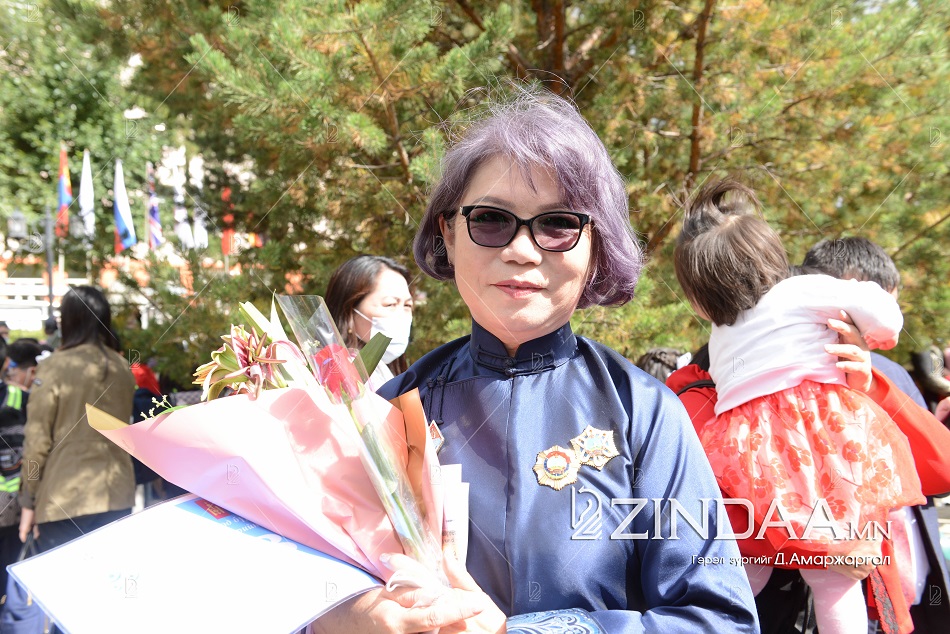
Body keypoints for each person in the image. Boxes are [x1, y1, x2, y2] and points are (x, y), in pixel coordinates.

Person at [312, 89, 759, 632]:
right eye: (491, 219)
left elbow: (720, 619)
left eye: (557, 224)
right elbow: (310, 585)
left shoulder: (646, 414)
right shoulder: (387, 411)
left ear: (595, 247)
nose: (521, 250)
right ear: (447, 234)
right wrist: (345, 616)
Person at [673, 179, 924, 634]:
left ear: (699, 297)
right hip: (822, 444)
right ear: (773, 257)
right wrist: (877, 336)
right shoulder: (805, 289)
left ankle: (713, 616)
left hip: (750, 459)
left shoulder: (720, 335)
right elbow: (879, 307)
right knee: (833, 579)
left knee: (747, 557)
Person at [802, 237, 950, 633]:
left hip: (906, 592)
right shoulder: (774, 377)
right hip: (841, 595)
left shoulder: (889, 373)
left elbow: (940, 468)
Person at [20, 285, 136, 553]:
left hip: (64, 496)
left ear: (68, 320)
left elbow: (37, 442)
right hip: (117, 492)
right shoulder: (122, 368)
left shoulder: (53, 367)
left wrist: (28, 500)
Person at [325, 255, 414, 388]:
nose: (401, 316)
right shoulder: (325, 376)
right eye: (390, 304)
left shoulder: (394, 377)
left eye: (407, 305)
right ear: (350, 310)